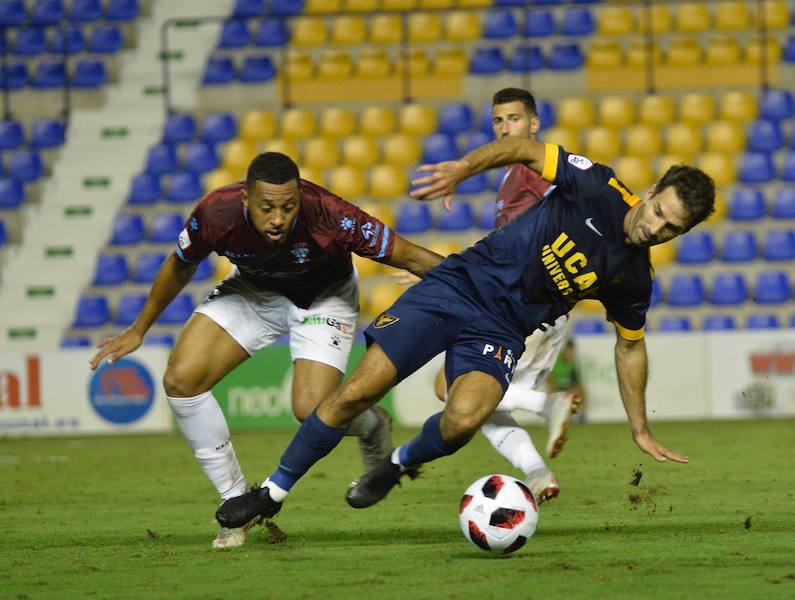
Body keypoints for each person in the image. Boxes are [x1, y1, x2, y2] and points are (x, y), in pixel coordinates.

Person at [215, 135, 716, 530]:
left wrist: (639, 426)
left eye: (670, 228)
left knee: (462, 420)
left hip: (501, 330)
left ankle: (394, 464)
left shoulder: (634, 278)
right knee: (361, 389)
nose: (655, 228)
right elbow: (522, 149)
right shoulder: (595, 186)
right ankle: (272, 493)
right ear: (650, 193)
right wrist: (461, 169)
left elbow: (630, 346)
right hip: (457, 287)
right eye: (657, 212)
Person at [89, 152, 444, 548]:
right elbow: (179, 264)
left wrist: (480, 282)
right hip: (253, 291)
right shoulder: (215, 213)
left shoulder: (328, 213)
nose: (278, 218)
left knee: (311, 410)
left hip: (323, 297)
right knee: (181, 379)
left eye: (288, 207)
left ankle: (370, 424)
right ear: (245, 199)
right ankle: (236, 505)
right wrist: (140, 328)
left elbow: (411, 255)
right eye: (267, 207)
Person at [433, 88, 581, 503]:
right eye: (498, 121)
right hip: (544, 307)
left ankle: (547, 404)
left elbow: (544, 234)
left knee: (451, 387)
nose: (505, 128)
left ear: (534, 124)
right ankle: (537, 473)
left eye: (514, 119)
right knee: (482, 404)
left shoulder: (536, 171)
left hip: (526, 302)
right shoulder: (515, 173)